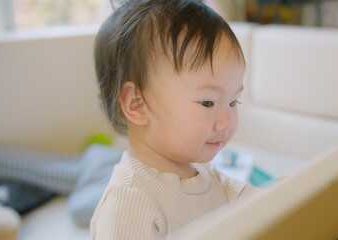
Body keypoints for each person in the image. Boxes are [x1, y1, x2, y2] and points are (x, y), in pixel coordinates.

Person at [90, 0, 252, 239]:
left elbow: (253, 199)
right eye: (208, 102)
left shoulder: (202, 173)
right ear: (137, 104)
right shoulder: (129, 202)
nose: (227, 122)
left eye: (233, 102)